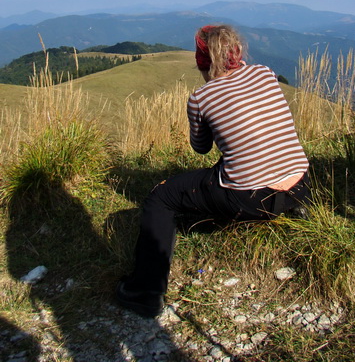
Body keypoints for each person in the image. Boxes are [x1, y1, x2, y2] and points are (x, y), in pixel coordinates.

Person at [116, 24, 310, 317]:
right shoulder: (266, 73)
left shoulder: (201, 98)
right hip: (301, 186)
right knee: (245, 161)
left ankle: (145, 291)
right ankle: (294, 210)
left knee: (162, 196)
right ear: (238, 51)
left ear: (201, 60)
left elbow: (201, 147)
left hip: (250, 199)